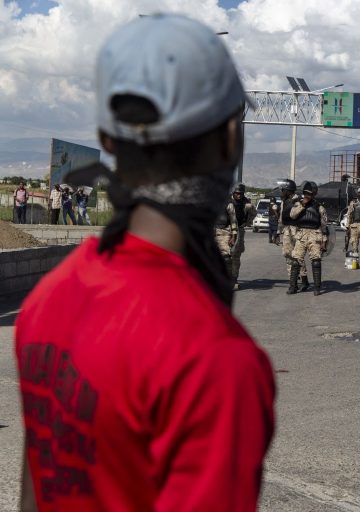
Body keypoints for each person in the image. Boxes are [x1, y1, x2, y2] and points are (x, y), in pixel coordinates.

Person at [15, 14, 274, 512]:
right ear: (229, 141)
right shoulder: (217, 360)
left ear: (108, 141)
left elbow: (37, 489)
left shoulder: (51, 295)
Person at [290, 181, 328, 295]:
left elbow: (324, 226)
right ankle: (293, 286)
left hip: (315, 235)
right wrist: (302, 205)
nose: (307, 196)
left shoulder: (319, 208)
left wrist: (324, 241)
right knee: (296, 260)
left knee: (316, 261)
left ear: (314, 194)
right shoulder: (298, 205)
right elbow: (292, 215)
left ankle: (317, 287)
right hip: (301, 234)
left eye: (310, 194)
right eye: (306, 193)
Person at [277, 179, 309, 292]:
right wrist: (278, 232)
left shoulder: (298, 200)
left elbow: (296, 215)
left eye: (283, 190)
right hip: (286, 230)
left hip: (297, 230)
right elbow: (281, 218)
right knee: (287, 255)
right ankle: (294, 282)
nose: (281, 191)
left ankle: (303, 281)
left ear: (288, 190)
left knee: (297, 256)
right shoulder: (284, 201)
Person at [229, 183, 256, 289]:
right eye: (237, 193)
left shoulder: (246, 203)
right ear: (233, 193)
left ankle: (234, 278)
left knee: (235, 255)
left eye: (241, 193)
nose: (239, 195)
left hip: (239, 229)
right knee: (225, 255)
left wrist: (247, 223)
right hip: (227, 229)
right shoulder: (227, 201)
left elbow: (254, 213)